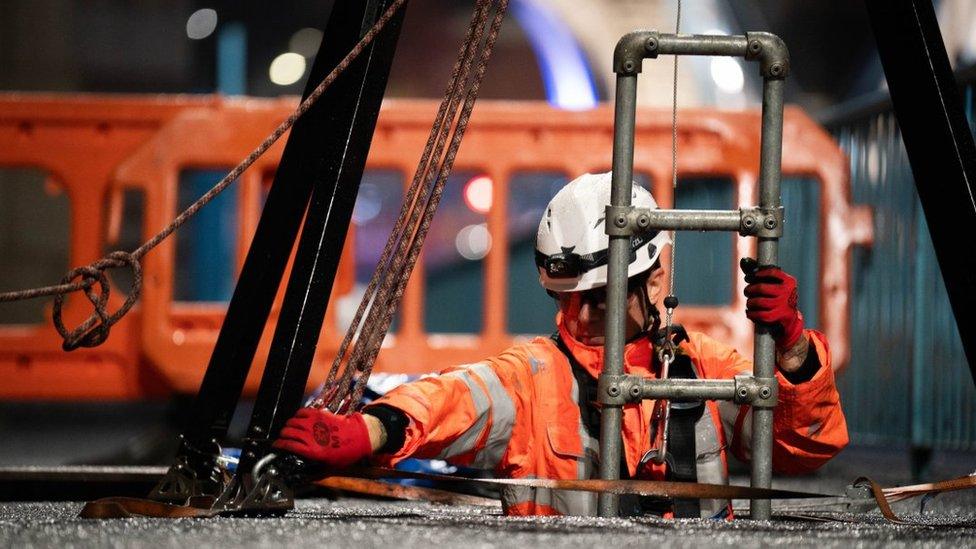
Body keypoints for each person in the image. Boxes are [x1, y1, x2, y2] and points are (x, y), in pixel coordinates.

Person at [273, 172, 848, 518]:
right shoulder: (534, 376)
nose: (580, 315)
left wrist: (794, 352)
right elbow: (449, 399)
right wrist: (368, 430)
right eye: (569, 301)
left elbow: (805, 450)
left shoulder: (706, 368)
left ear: (652, 282)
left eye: (597, 299)